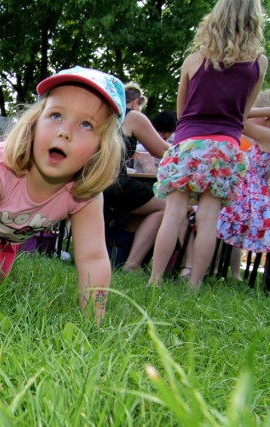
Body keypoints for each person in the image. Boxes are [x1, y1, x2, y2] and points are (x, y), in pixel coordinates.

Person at [0, 66, 125, 324]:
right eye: (56, 115)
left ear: (102, 147)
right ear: (35, 124)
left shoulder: (85, 193)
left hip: (2, 232)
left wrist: (94, 323)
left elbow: (92, 258)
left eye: (86, 124)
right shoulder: (3, 168)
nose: (65, 132)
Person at [148, 0, 268, 289]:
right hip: (226, 146)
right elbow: (242, 114)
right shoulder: (258, 63)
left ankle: (155, 279)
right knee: (209, 219)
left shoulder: (194, 60)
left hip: (189, 142)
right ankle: (195, 284)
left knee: (173, 213)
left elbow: (182, 111)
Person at [103, 81, 186, 273]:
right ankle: (131, 264)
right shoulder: (133, 116)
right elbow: (163, 150)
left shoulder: (104, 115)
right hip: (114, 181)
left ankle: (119, 253)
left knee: (144, 208)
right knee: (166, 207)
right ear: (136, 102)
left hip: (93, 182)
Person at [217, 90, 270, 280]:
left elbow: (238, 117)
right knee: (234, 234)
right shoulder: (261, 136)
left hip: (248, 192)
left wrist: (263, 109)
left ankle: (224, 271)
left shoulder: (265, 134)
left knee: (223, 226)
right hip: (252, 191)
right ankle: (233, 274)